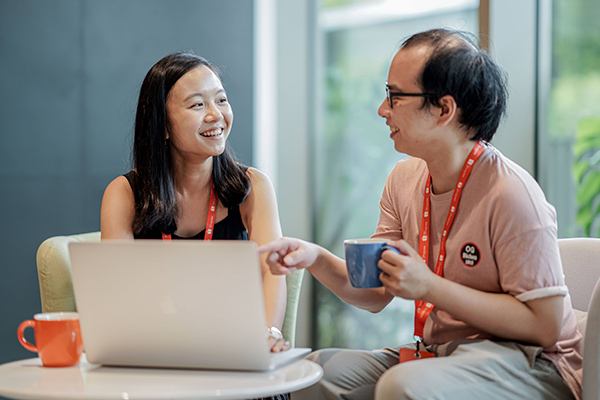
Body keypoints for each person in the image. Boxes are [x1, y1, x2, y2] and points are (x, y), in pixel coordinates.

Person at [259, 29, 583, 400]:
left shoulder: (511, 193)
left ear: (444, 109)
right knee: (315, 373)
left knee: (403, 386)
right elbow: (375, 290)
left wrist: (429, 287)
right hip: (442, 354)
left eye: (394, 96)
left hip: (533, 363)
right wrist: (313, 257)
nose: (383, 109)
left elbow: (544, 325)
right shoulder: (404, 179)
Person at [100, 52, 289, 353]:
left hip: (238, 349)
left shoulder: (254, 187)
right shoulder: (124, 194)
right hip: (155, 351)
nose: (216, 115)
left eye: (222, 100)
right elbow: (118, 290)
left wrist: (268, 333)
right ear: (161, 124)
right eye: (198, 105)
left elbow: (272, 271)